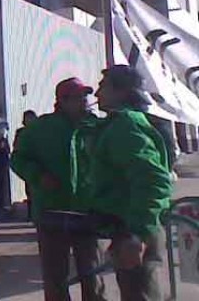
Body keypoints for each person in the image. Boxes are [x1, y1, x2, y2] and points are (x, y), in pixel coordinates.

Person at [12, 78, 106, 301]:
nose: (84, 101)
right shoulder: (40, 129)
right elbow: (18, 159)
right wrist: (38, 176)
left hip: (87, 212)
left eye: (86, 96)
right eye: (78, 97)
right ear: (62, 101)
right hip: (52, 213)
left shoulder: (96, 128)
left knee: (93, 273)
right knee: (55, 278)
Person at [86, 65, 173, 300]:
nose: (96, 94)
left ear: (121, 91)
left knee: (139, 293)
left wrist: (137, 235)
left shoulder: (125, 126)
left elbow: (153, 180)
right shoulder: (120, 124)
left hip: (135, 226)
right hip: (132, 224)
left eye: (103, 87)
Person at [12, 110, 38, 221]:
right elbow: (16, 146)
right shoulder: (21, 132)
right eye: (27, 118)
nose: (29, 121)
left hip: (38, 162)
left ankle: (37, 213)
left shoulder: (40, 131)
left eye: (31, 118)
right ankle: (31, 214)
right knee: (29, 189)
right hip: (28, 164)